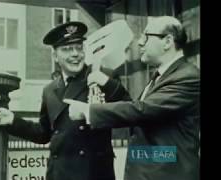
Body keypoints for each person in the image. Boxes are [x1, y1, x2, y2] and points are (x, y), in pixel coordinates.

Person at [64, 16, 200, 180]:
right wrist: (107, 83)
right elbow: (141, 112)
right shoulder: (162, 76)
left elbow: (142, 110)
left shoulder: (187, 77)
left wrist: (88, 111)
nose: (140, 43)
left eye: (146, 36)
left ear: (167, 41)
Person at [0, 21, 130, 180]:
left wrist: (106, 82)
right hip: (58, 174)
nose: (75, 54)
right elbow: (44, 134)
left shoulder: (101, 77)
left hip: (93, 173)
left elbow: (128, 109)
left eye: (78, 47)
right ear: (55, 56)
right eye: (67, 49)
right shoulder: (49, 89)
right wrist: (13, 121)